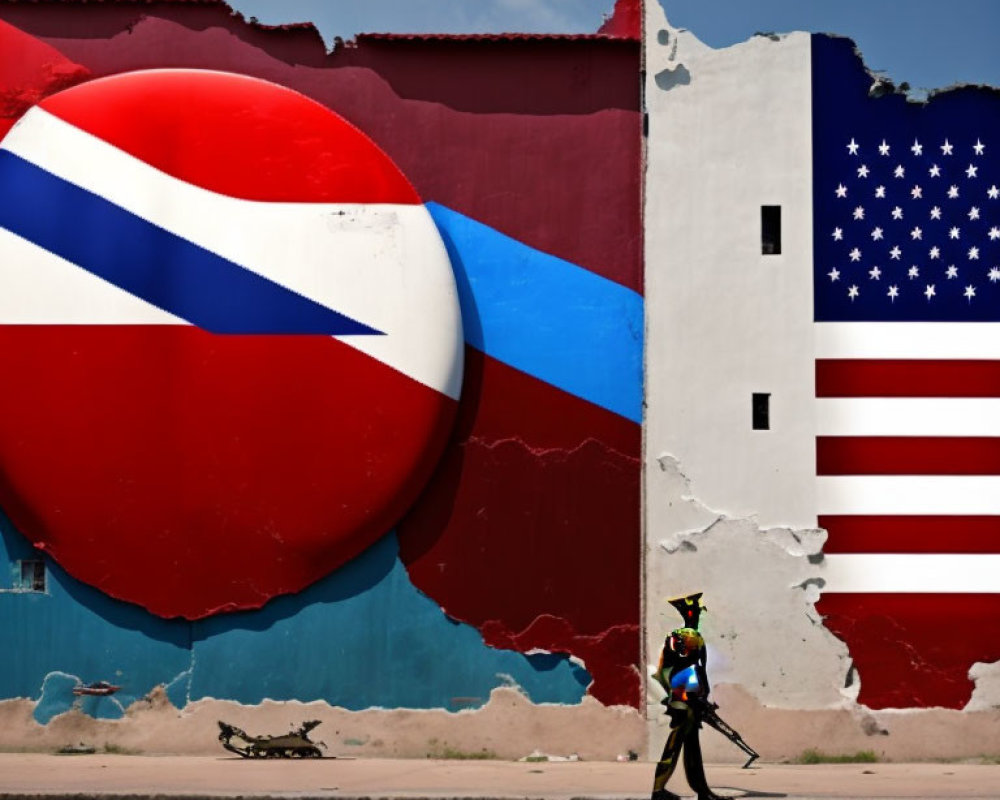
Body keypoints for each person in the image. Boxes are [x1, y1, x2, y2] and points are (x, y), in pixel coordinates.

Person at [650, 593, 722, 800]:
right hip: (685, 700)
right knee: (677, 746)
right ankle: (659, 790)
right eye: (696, 611)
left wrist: (698, 696)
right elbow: (692, 669)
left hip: (686, 698)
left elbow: (671, 669)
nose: (700, 614)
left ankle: (701, 791)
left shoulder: (682, 637)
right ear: (689, 613)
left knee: (690, 749)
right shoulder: (688, 636)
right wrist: (696, 695)